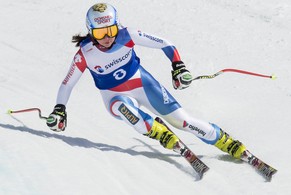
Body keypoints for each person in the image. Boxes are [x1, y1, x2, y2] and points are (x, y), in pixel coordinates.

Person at [46, 3, 247, 159]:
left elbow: (166, 43)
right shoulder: (85, 54)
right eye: (100, 33)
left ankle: (225, 141)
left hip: (143, 84)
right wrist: (59, 109)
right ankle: (158, 132)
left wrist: (178, 66)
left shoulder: (128, 36)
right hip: (114, 96)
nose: (107, 37)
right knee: (126, 111)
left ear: (117, 26)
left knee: (184, 121)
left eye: (111, 30)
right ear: (90, 31)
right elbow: (68, 83)